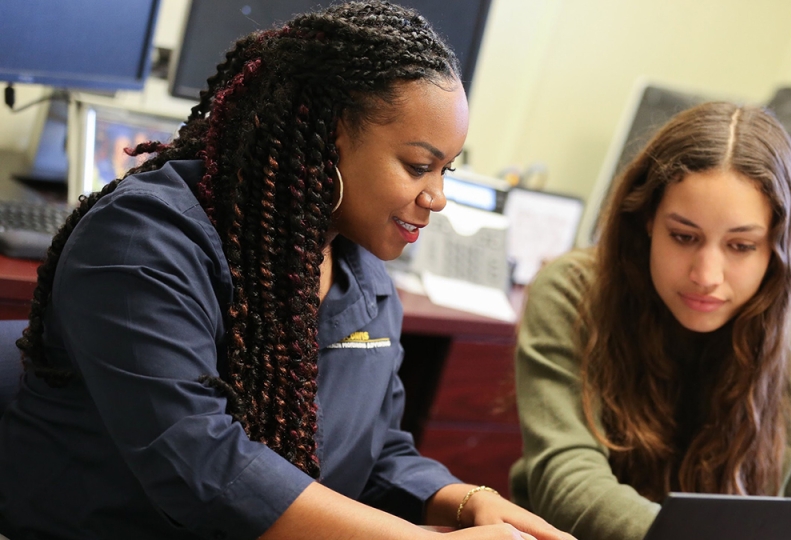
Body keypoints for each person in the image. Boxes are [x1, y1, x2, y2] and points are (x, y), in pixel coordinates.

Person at [0, 3, 575, 540]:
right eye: (419, 166)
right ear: (328, 140)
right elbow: (200, 465)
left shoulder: (361, 276)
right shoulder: (142, 239)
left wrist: (461, 499)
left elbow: (379, 451)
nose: (438, 197)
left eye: (447, 169)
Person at [508, 101, 791, 539]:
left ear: (777, 246)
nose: (706, 276)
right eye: (684, 237)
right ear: (647, 219)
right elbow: (567, 483)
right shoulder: (572, 293)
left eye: (741, 246)